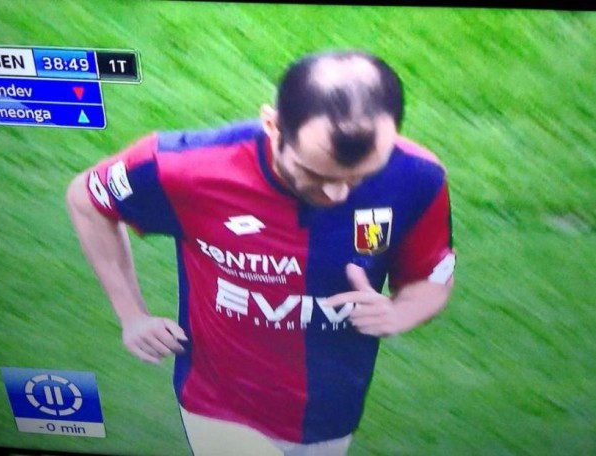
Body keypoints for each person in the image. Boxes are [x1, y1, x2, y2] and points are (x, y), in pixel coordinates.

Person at [66, 49, 456, 456]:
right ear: (272, 125)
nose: (337, 193)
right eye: (315, 173)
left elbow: (432, 275)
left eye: (361, 177)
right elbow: (87, 199)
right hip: (219, 408)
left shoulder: (419, 178)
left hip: (331, 413)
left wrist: (399, 313)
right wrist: (131, 315)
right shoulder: (185, 167)